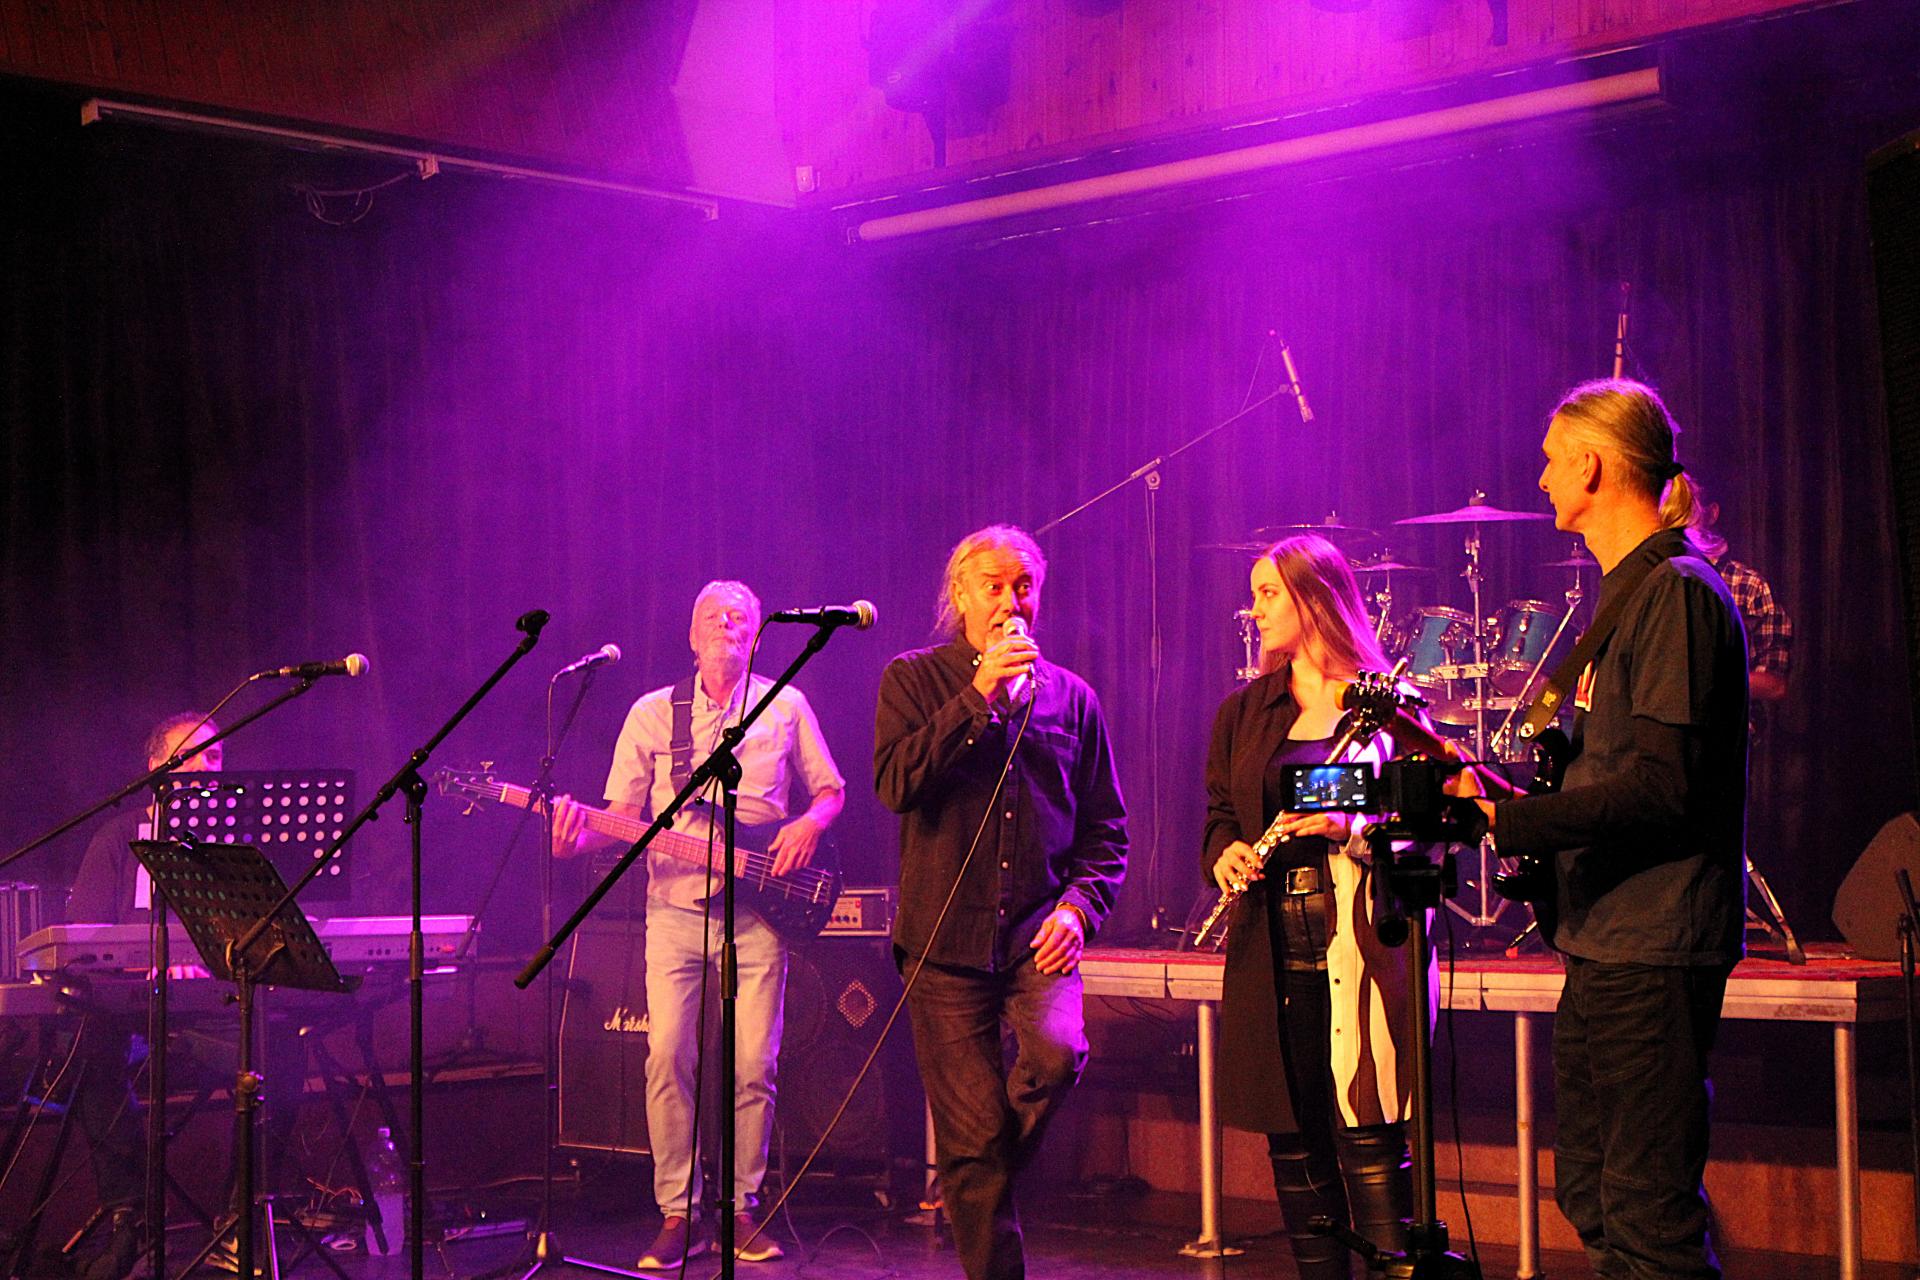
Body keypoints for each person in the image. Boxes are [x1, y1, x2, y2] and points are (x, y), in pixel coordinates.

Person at [1466, 378, 1748, 1279]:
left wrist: (1510, 821)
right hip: (1605, 939)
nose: (1543, 478)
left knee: (1646, 1213)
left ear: (1592, 465)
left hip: (1654, 942)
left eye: (1554, 460)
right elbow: (1608, 772)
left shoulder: (1677, 594)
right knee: (1592, 1192)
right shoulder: (1631, 595)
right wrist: (1494, 793)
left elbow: (1665, 788)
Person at [551, 580, 845, 1269]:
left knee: (754, 1065)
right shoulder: (653, 714)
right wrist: (573, 839)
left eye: (740, 617)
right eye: (713, 616)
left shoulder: (786, 704)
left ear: (756, 636)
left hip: (760, 914)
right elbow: (619, 819)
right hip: (674, 913)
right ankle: (679, 1213)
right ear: (692, 636)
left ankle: (739, 1208)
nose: (727, 624)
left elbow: (832, 791)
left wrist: (808, 822)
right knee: (667, 1058)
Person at [873, 524, 1127, 1280]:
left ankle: (972, 1169)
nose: (1012, 602)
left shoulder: (1073, 699)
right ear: (960, 595)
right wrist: (979, 695)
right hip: (942, 945)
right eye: (994, 586)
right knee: (973, 1139)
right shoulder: (912, 679)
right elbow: (897, 785)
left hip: (1036, 934)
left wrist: (1078, 909)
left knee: (1056, 1055)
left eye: (1025, 587)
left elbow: (1106, 831)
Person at [1202, 534, 1425, 1279]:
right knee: (1295, 1145)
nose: (1256, 609)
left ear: (1314, 599)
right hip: (1271, 954)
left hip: (1361, 950)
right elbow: (1219, 814)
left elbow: (1428, 826)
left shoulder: (1389, 706)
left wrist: (1348, 829)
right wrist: (1224, 852)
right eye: (1254, 594)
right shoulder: (1244, 711)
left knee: (1369, 1139)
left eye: (1269, 593)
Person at [66, 711, 223, 1280]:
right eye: (191, 755)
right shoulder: (117, 838)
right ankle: (128, 1216)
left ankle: (241, 1215)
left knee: (283, 1044)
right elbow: (85, 945)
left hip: (216, 1009)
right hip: (134, 1009)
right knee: (91, 1051)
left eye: (215, 756)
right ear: (157, 767)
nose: (206, 766)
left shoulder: (240, 841)